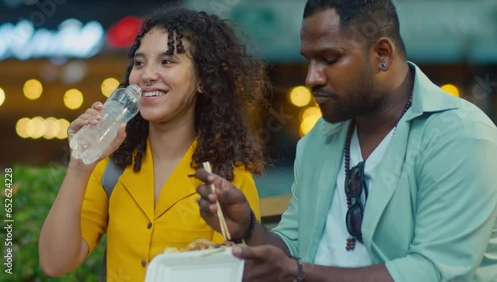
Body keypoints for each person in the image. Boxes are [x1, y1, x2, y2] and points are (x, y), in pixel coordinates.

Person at [196, 0, 497, 281]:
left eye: (329, 59)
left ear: (382, 55)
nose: (312, 78)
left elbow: (432, 270)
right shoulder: (316, 141)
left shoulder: (460, 136)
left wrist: (300, 273)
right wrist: (247, 228)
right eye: (309, 61)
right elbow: (293, 248)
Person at [39, 6, 269, 282]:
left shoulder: (228, 179)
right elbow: (54, 263)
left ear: (203, 81)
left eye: (167, 61)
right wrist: (80, 164)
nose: (147, 75)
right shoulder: (112, 168)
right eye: (139, 62)